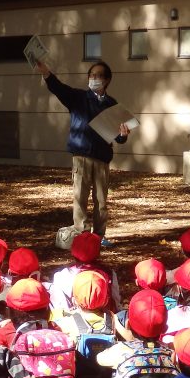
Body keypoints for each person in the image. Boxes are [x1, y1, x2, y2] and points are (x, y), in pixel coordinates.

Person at [34, 60, 131, 244]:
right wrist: (45, 72)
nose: (94, 78)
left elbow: (118, 138)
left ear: (107, 80)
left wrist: (123, 135)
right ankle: (83, 236)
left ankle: (99, 236)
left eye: (99, 75)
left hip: (102, 158)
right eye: (91, 75)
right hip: (82, 157)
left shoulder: (112, 104)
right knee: (80, 198)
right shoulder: (78, 98)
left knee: (101, 202)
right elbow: (58, 88)